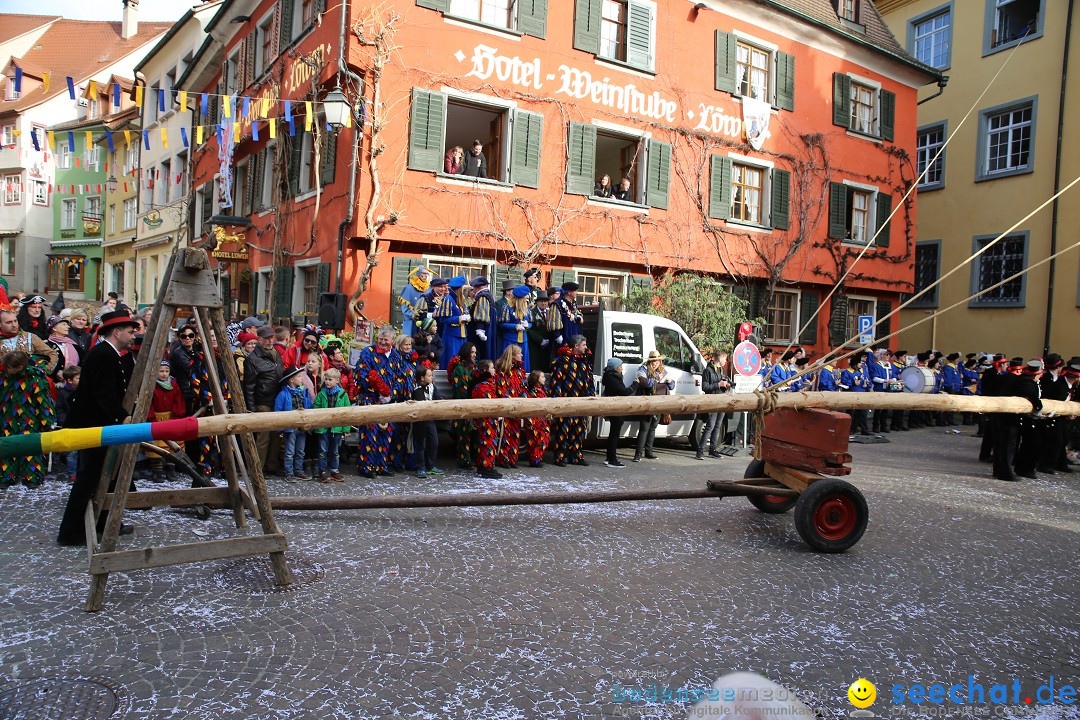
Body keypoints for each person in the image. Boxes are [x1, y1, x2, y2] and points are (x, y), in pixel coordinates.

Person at [56, 310, 139, 546]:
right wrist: (122, 417)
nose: (134, 335)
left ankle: (104, 523)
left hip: (100, 425)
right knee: (89, 478)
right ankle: (71, 533)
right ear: (117, 332)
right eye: (131, 332)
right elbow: (104, 394)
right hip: (92, 426)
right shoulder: (103, 354)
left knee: (106, 476)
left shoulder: (110, 353)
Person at [354, 325, 413, 479]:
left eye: (386, 340)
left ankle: (381, 465)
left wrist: (390, 394)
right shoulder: (368, 352)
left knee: (386, 434)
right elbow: (361, 374)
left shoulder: (395, 356)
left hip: (388, 402)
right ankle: (366, 466)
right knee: (369, 434)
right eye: (380, 339)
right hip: (370, 400)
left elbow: (401, 378)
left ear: (392, 340)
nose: (382, 342)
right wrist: (378, 393)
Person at [0, 350, 54, 488]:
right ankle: (7, 476)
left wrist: (46, 422)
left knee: (30, 447)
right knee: (7, 446)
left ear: (19, 367)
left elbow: (43, 402)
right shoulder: (4, 377)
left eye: (10, 367)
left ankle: (32, 477)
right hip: (8, 417)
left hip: (29, 419)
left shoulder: (35, 378)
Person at [244, 325, 285, 475]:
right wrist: (251, 409)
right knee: (263, 438)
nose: (269, 341)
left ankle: (271, 465)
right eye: (266, 338)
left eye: (271, 337)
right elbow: (248, 386)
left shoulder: (275, 353)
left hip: (277, 399)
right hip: (262, 401)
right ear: (259, 339)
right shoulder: (252, 359)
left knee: (275, 437)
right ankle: (257, 468)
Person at [549, 335, 595, 466]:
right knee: (563, 431)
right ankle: (560, 457)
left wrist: (591, 395)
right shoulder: (561, 361)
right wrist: (557, 401)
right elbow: (556, 382)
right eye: (584, 345)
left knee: (579, 430)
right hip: (566, 402)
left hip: (582, 402)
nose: (586, 348)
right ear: (576, 346)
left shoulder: (584, 361)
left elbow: (589, 380)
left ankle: (576, 456)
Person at [148, 359, 187, 482]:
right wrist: (151, 418)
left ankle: (171, 468)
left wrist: (177, 416)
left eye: (166, 371)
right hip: (157, 418)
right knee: (157, 445)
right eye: (161, 371)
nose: (164, 374)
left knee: (173, 445)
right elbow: (149, 403)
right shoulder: (152, 385)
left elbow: (178, 401)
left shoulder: (173, 385)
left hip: (171, 418)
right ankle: (157, 471)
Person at [312, 367, 351, 483]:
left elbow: (347, 413)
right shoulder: (321, 394)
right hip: (323, 428)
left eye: (330, 380)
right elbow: (316, 408)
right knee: (322, 451)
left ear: (337, 381)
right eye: (326, 379)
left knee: (335, 451)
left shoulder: (343, 395)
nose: (327, 382)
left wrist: (346, 429)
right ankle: (322, 471)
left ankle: (335, 470)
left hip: (337, 429)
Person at [633, 350, 674, 462]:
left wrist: (670, 382)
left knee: (652, 428)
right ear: (650, 361)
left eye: (658, 361)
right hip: (647, 402)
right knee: (644, 428)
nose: (656, 363)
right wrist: (657, 380)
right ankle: (638, 454)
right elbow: (644, 383)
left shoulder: (662, 370)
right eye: (654, 361)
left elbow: (672, 386)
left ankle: (649, 452)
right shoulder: (643, 369)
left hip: (659, 403)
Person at [1011, 359, 1045, 480]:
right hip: (1025, 418)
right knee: (1032, 443)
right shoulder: (1027, 382)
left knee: (1032, 443)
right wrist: (1038, 406)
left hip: (1029, 418)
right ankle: (1024, 468)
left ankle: (1026, 468)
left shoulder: (1030, 381)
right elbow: (1031, 394)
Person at [275, 367, 312, 482]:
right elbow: (278, 412)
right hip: (290, 428)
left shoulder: (303, 392)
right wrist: (280, 429)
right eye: (299, 377)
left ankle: (298, 470)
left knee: (300, 451)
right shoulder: (283, 394)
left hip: (302, 428)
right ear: (291, 380)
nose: (302, 379)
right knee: (290, 452)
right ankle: (289, 472)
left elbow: (309, 407)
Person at [409, 365, 444, 478]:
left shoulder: (432, 387)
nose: (432, 378)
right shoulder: (417, 389)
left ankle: (431, 465)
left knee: (434, 443)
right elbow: (421, 404)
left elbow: (438, 397)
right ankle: (420, 467)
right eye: (429, 376)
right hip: (420, 421)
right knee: (420, 445)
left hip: (430, 420)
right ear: (422, 378)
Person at [495, 344, 527, 469]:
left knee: (516, 433)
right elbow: (501, 389)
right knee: (505, 434)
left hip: (517, 407)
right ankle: (503, 459)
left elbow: (523, 387)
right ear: (513, 355)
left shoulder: (520, 371)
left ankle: (513, 459)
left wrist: (522, 399)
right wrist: (511, 402)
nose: (522, 355)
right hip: (506, 407)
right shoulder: (502, 370)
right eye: (519, 353)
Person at [0, 304, 58, 371]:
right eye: (9, 322)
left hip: (29, 380)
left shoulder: (29, 336)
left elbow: (52, 354)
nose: (14, 325)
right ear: (0, 324)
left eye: (15, 321)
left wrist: (43, 371)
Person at [448, 342, 478, 469]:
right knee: (463, 435)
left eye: (475, 352)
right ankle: (464, 460)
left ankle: (475, 458)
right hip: (463, 405)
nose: (474, 355)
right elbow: (459, 389)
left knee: (475, 435)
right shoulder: (459, 369)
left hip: (475, 405)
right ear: (466, 352)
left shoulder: (475, 367)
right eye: (472, 352)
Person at [471, 359, 502, 479]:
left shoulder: (489, 384)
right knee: (487, 442)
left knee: (487, 442)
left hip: (490, 419)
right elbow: (488, 405)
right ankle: (487, 468)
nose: (494, 370)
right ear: (485, 370)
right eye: (492, 368)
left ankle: (484, 466)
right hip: (486, 420)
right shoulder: (483, 386)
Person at [697, 349, 731, 459]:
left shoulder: (722, 370)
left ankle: (713, 449)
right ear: (719, 358)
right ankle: (700, 451)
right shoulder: (708, 370)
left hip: (722, 400)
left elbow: (725, 381)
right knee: (710, 426)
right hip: (712, 401)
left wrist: (727, 384)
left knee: (717, 426)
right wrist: (718, 384)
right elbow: (705, 387)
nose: (725, 361)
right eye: (724, 359)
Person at [601, 357, 634, 468]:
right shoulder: (612, 378)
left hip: (616, 408)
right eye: (620, 366)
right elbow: (624, 391)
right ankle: (612, 459)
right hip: (615, 408)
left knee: (613, 434)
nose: (621, 368)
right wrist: (635, 384)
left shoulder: (612, 377)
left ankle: (609, 457)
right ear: (615, 368)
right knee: (614, 435)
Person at [434, 275, 470, 368]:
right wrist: (460, 318)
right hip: (452, 336)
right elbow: (443, 319)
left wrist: (467, 316)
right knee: (451, 360)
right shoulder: (448, 299)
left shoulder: (460, 299)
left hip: (461, 335)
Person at [497, 285, 533, 372]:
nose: (526, 300)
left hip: (523, 341)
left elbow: (531, 322)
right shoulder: (507, 308)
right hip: (510, 340)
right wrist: (515, 326)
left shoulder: (527, 308)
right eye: (525, 298)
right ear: (519, 298)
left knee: (523, 365)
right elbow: (501, 324)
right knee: (509, 364)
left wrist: (527, 325)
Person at [169, 323, 200, 416]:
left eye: (190, 335)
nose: (187, 338)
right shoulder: (178, 352)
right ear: (180, 338)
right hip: (186, 389)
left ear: (195, 336)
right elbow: (191, 369)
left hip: (199, 387)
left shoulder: (198, 348)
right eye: (184, 336)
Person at [521, 370, 550, 468]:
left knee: (543, 439)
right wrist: (529, 421)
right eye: (542, 377)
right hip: (533, 420)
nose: (545, 378)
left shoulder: (543, 390)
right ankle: (534, 459)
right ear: (536, 379)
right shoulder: (528, 392)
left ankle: (536, 458)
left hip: (542, 420)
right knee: (533, 440)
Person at [840, 353, 871, 436]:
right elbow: (844, 382)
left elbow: (869, 380)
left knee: (863, 413)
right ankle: (851, 429)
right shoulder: (846, 372)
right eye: (860, 363)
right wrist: (853, 383)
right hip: (852, 395)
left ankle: (864, 430)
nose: (861, 364)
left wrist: (867, 385)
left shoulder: (863, 371)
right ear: (855, 364)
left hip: (862, 394)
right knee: (851, 413)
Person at [468, 276, 496, 360]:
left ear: (477, 287)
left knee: (481, 351)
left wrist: (480, 328)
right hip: (488, 329)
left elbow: (481, 314)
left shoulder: (482, 297)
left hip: (483, 329)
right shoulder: (488, 295)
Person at [399, 265, 431, 337]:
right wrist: (415, 314)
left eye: (427, 274)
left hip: (424, 324)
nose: (426, 276)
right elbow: (405, 309)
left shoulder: (428, 289)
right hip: (410, 323)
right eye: (423, 273)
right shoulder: (408, 288)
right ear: (418, 273)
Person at [547, 282, 582, 348]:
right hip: (563, 338)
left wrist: (579, 317)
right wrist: (558, 336)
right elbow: (553, 323)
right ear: (569, 292)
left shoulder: (573, 304)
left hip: (573, 336)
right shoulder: (557, 304)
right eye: (575, 291)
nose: (577, 293)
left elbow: (578, 314)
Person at [526, 289, 551, 372]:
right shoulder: (531, 312)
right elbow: (529, 329)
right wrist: (540, 340)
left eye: (546, 302)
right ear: (537, 302)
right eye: (541, 301)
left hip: (547, 347)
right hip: (535, 345)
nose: (544, 303)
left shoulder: (550, 313)